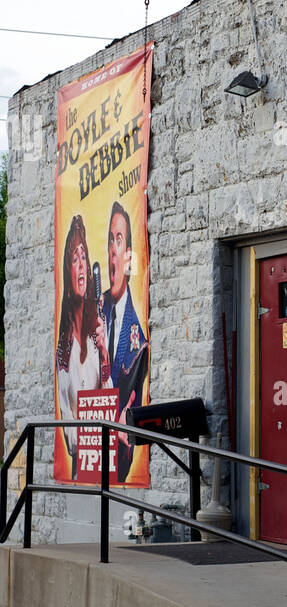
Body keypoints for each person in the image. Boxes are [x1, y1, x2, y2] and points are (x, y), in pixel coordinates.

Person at [56, 215, 110, 474]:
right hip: (82, 465)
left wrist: (104, 353)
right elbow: (66, 415)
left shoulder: (98, 327)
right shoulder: (64, 344)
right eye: (74, 258)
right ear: (69, 268)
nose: (80, 265)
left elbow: (109, 395)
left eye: (83, 256)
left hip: (106, 460)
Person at [103, 201, 148, 482]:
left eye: (119, 240)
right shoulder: (94, 313)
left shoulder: (138, 342)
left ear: (128, 255)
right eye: (110, 239)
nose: (113, 249)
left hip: (118, 467)